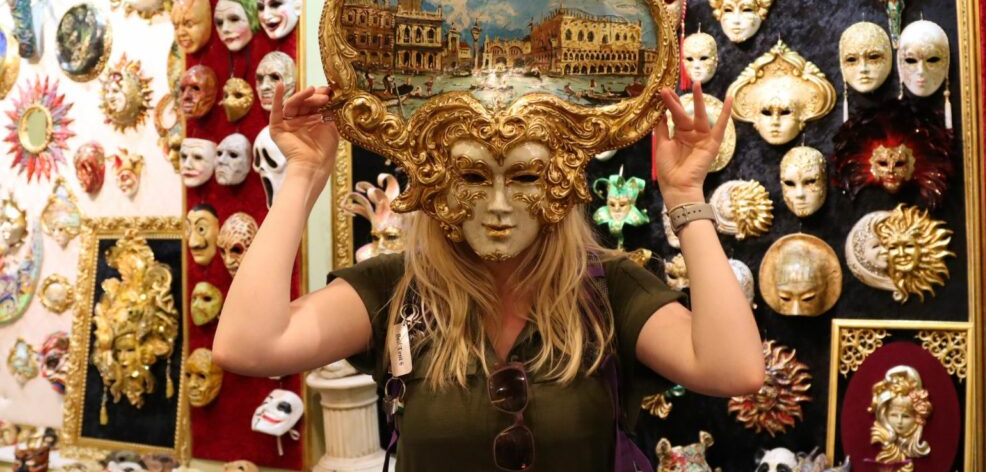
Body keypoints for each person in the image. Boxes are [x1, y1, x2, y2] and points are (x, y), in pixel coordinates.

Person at [213, 80, 764, 471]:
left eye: (524, 175)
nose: (499, 205)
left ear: (560, 182)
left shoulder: (607, 288)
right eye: (474, 174)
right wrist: (305, 173)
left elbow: (733, 370)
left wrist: (686, 197)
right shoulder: (396, 288)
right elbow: (248, 346)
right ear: (435, 183)